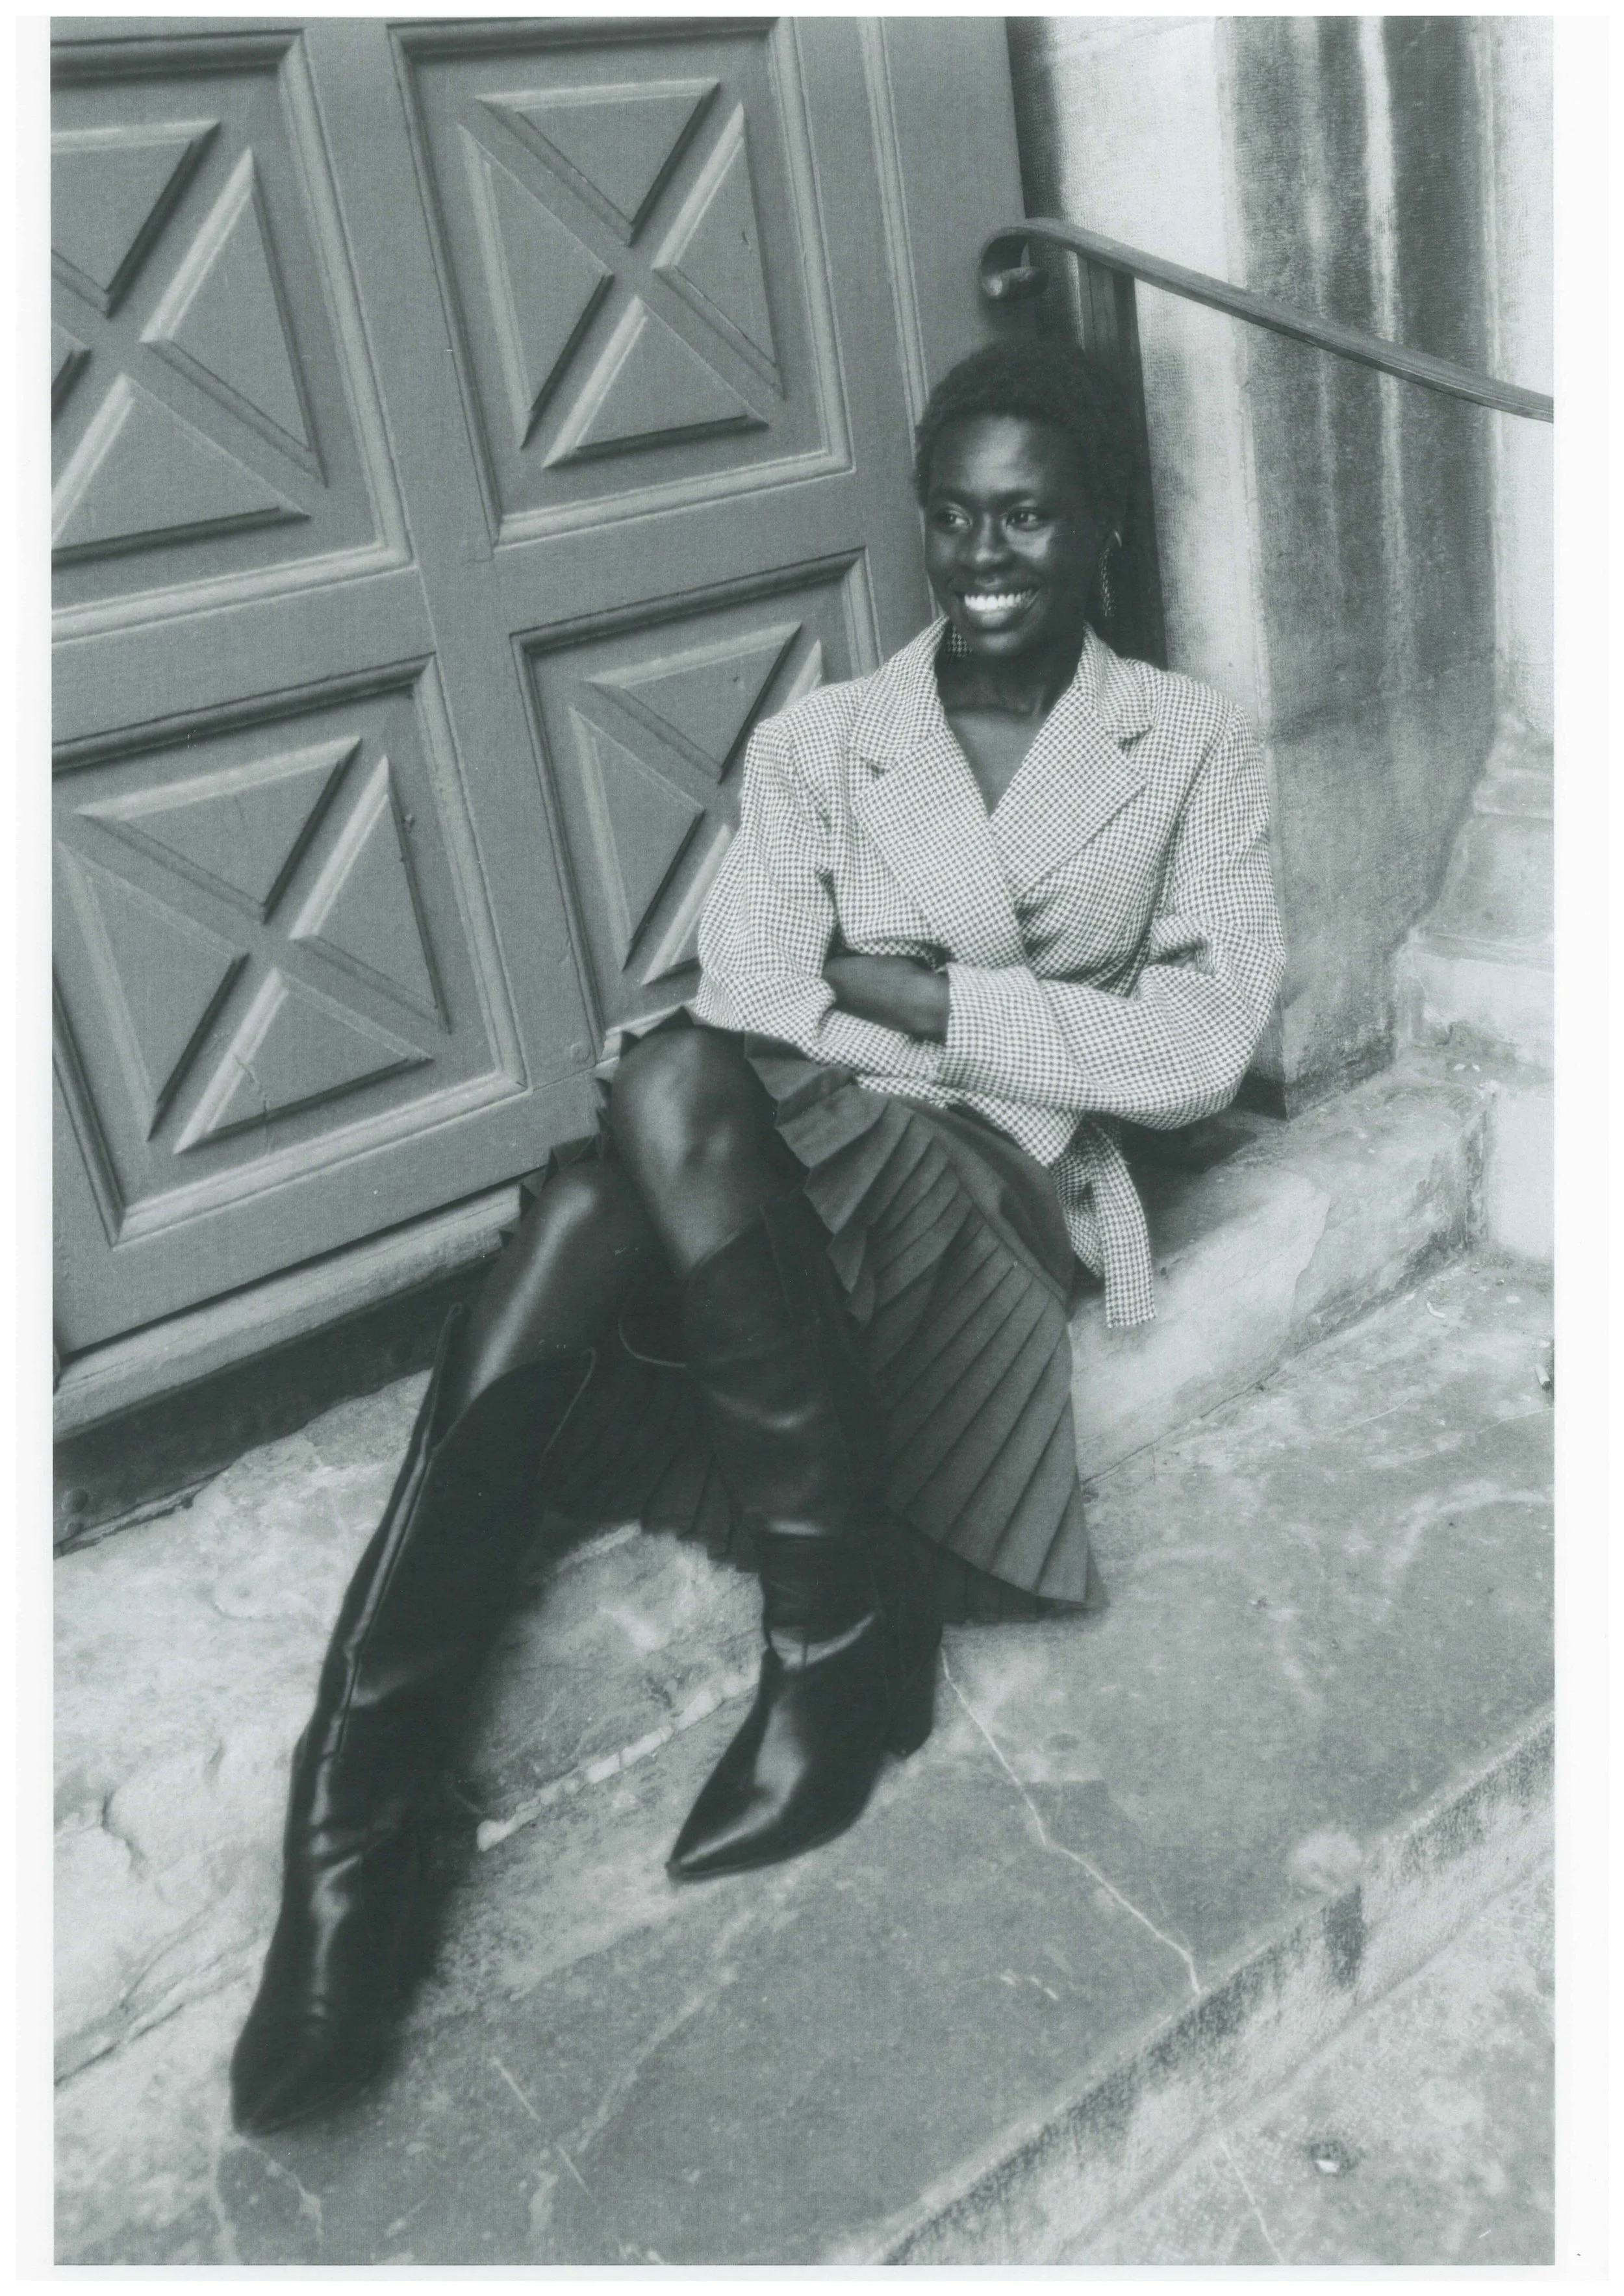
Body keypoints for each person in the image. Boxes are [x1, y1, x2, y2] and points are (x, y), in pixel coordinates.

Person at [229, 338, 1284, 2136]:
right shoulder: (826, 740)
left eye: (1026, 516)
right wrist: (921, 1009)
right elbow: (751, 987)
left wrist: (931, 998)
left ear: (1100, 527)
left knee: (644, 1129)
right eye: (950, 518)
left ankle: (380, 1823)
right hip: (786, 1176)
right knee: (638, 1134)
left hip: (995, 1194)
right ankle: (415, 1795)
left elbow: (1198, 1046)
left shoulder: (1185, 743)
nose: (981, 557)